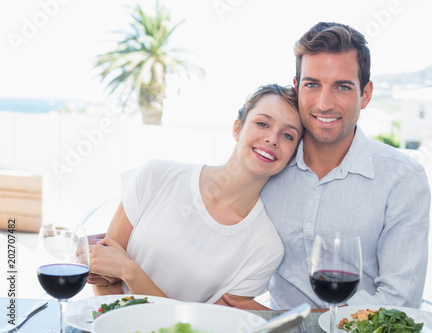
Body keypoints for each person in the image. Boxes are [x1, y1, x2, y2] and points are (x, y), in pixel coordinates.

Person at [223, 22, 431, 310]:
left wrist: (288, 323)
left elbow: (400, 302)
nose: (324, 104)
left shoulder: (402, 179)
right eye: (312, 84)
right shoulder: (269, 163)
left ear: (365, 94)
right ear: (297, 89)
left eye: (342, 87)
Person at [88, 84, 303, 305]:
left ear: (293, 155)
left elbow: (201, 325)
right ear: (237, 128)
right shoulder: (156, 176)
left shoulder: (265, 248)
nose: (272, 138)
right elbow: (102, 274)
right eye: (262, 123)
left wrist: (130, 272)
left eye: (287, 135)